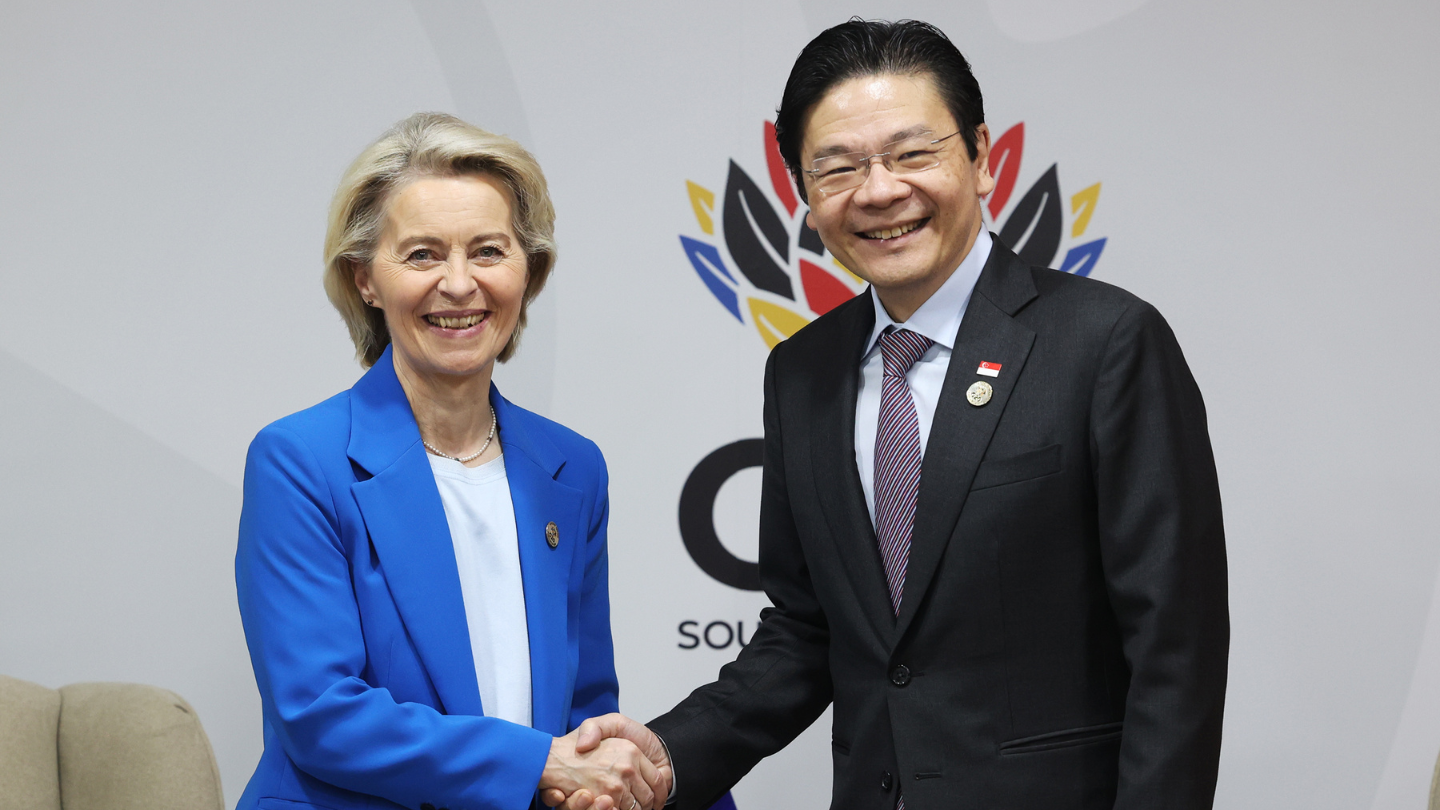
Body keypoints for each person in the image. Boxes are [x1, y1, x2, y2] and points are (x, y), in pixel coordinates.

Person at [557, 18, 1228, 810]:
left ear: (981, 157)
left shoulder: (1106, 343)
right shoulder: (801, 372)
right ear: (806, 198)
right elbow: (809, 629)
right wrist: (670, 756)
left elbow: (1174, 646)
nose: (879, 191)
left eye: (913, 153)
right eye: (837, 168)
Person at [235, 112, 666, 810]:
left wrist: (601, 774)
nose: (460, 284)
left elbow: (582, 713)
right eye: (423, 255)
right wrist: (541, 766)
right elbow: (320, 714)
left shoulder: (573, 468)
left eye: (489, 251)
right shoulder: (299, 461)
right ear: (366, 280)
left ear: (530, 271)